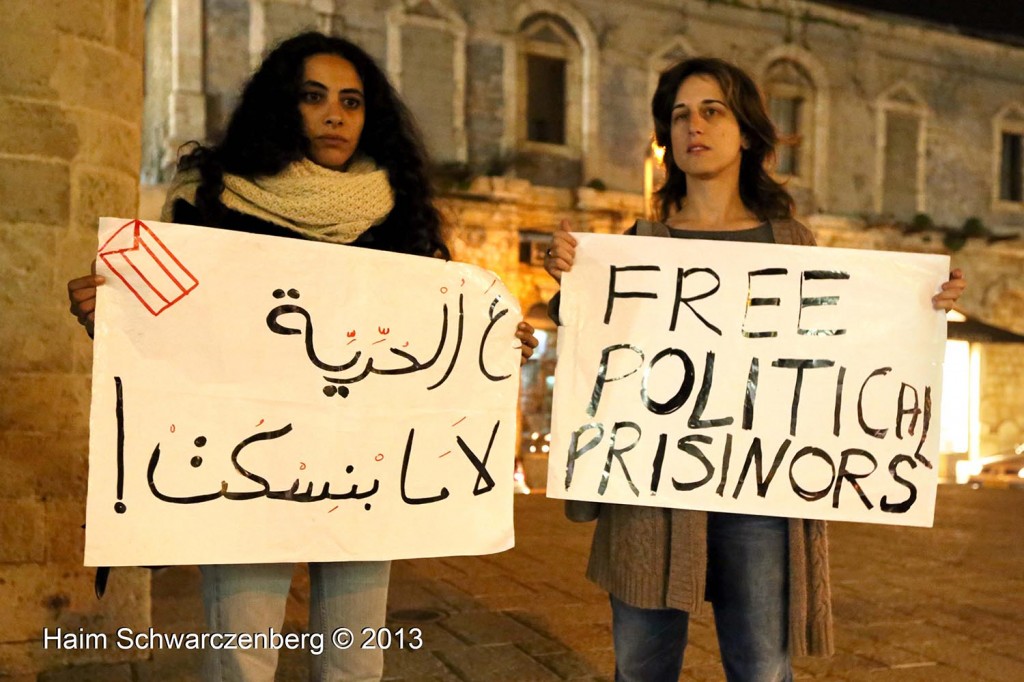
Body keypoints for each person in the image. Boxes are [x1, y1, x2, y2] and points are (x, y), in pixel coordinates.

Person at [67, 31, 538, 682]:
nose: (334, 114)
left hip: (362, 476)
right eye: (313, 97)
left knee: (354, 659)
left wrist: (491, 344)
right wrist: (111, 320)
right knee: (242, 656)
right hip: (247, 472)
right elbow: (176, 342)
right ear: (283, 107)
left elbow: (429, 350)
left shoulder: (400, 228)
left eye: (351, 101)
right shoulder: (216, 212)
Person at [543, 57, 967, 682]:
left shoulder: (790, 243)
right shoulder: (637, 242)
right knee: (640, 668)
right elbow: (596, 352)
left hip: (759, 489)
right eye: (680, 116)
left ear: (746, 132)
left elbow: (842, 346)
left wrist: (918, 307)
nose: (695, 126)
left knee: (762, 669)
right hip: (650, 489)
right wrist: (569, 282)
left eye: (713, 111)